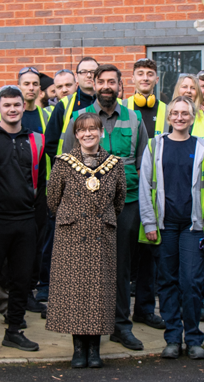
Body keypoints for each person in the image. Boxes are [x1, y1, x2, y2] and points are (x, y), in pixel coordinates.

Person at [60, 65, 153, 348]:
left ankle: (120, 326)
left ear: (120, 85)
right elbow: (66, 162)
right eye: (101, 81)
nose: (106, 86)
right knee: (88, 268)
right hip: (89, 208)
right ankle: (88, 329)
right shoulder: (78, 117)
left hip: (128, 201)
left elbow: (144, 163)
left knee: (121, 266)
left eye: (112, 81)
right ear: (94, 84)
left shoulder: (135, 119)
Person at [138, 96, 204, 360]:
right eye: (176, 113)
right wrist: (149, 222)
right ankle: (173, 338)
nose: (180, 117)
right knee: (167, 282)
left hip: (194, 227)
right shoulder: (155, 146)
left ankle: (194, 338)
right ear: (169, 116)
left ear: (193, 117)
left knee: (192, 282)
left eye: (186, 113)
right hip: (165, 225)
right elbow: (145, 187)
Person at [46, 112, 127, 368]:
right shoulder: (63, 162)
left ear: (101, 131)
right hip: (71, 236)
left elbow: (120, 201)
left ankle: (94, 350)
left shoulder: (114, 164)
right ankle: (78, 349)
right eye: (82, 130)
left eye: (93, 129)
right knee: (74, 292)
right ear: (76, 134)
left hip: (102, 236)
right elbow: (52, 199)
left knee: (98, 293)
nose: (88, 133)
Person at [0, 86, 44, 354]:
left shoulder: (36, 139)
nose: (12, 109)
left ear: (23, 107)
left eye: (16, 105)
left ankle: (14, 331)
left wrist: (37, 222)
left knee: (22, 280)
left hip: (25, 220)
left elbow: (41, 182)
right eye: (7, 105)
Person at [36, 58, 101, 304]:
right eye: (84, 72)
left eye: (94, 72)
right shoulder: (65, 105)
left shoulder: (105, 105)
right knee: (55, 236)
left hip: (96, 183)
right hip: (66, 184)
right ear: (77, 78)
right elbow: (51, 144)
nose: (89, 76)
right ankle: (45, 285)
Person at [127, 58, 166, 136]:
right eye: (140, 74)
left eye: (150, 74)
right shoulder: (122, 106)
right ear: (133, 78)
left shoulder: (167, 110)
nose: (145, 78)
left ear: (157, 80)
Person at [17, 67, 50, 135]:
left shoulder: (46, 115)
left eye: (35, 84)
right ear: (19, 88)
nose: (31, 88)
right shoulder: (11, 114)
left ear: (39, 88)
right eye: (26, 84)